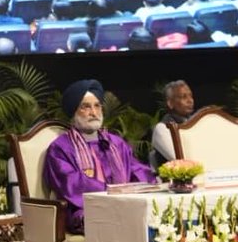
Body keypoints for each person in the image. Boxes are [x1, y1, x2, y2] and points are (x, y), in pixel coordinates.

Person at [43, 80, 156, 233]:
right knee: (112, 219)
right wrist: (112, 192)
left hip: (125, 202)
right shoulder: (61, 148)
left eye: (97, 106)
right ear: (73, 111)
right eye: (86, 107)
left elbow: (137, 169)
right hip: (85, 209)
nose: (94, 112)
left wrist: (151, 184)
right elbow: (72, 184)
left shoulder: (115, 143)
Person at [150, 80, 197, 166]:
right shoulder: (162, 128)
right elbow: (179, 158)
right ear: (170, 103)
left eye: (191, 96)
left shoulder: (196, 123)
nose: (190, 100)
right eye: (184, 97)